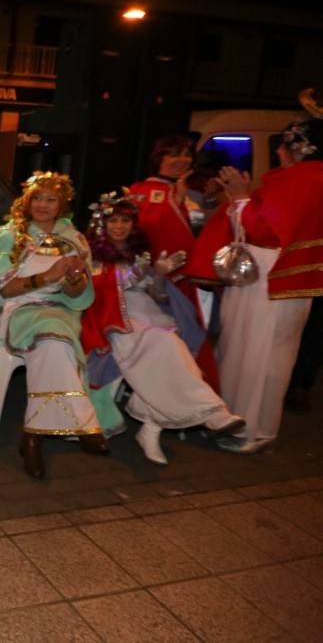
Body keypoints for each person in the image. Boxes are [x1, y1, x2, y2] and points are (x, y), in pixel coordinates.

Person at [185, 115, 323, 453]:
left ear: (297, 150)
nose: (277, 152)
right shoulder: (305, 179)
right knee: (260, 352)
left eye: (282, 145)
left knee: (256, 354)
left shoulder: (304, 181)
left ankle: (249, 429)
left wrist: (240, 197)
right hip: (279, 277)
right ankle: (240, 421)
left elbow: (264, 230)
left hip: (269, 277)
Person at [80, 192, 245, 464]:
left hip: (149, 316)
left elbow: (159, 296)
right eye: (114, 221)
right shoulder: (89, 253)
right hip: (114, 321)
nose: (120, 226)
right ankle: (212, 413)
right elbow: (99, 290)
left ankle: (153, 429)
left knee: (172, 347)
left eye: (126, 221)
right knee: (166, 345)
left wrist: (158, 275)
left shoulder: (139, 253)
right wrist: (138, 274)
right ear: (102, 223)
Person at [0, 172, 106, 479]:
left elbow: (77, 294)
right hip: (20, 309)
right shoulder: (11, 236)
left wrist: (74, 278)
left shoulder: (75, 238)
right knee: (55, 338)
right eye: (37, 198)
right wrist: (47, 276)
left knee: (54, 341)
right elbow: (0, 289)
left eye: (51, 199)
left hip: (61, 310)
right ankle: (77, 424)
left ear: (62, 204)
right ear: (27, 202)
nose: (43, 204)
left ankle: (33, 435)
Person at [128, 134, 220, 389]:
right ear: (160, 158)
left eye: (186, 154)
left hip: (188, 280)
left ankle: (190, 397)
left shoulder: (192, 193)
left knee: (190, 339)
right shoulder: (140, 191)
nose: (181, 160)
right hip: (150, 282)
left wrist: (207, 199)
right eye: (174, 154)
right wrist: (177, 203)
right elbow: (137, 232)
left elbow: (207, 231)